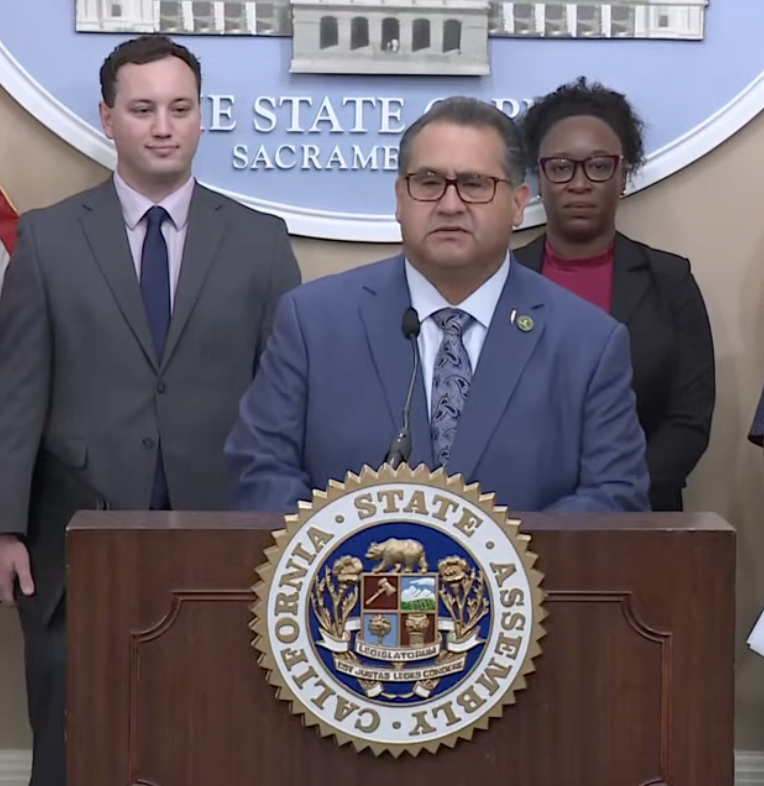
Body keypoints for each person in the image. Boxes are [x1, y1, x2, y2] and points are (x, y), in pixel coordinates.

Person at [0, 34, 300, 786]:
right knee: (74, 738)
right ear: (108, 118)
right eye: (142, 109)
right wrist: (5, 524)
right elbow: (17, 391)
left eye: (179, 108)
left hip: (227, 533)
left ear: (202, 118)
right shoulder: (46, 237)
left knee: (214, 733)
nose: (162, 125)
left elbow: (288, 398)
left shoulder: (261, 241)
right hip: (75, 538)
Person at [225, 96, 650, 514]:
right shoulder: (313, 323)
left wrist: (493, 566)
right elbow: (261, 471)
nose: (450, 204)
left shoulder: (589, 342)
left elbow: (615, 496)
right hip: (350, 580)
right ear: (400, 199)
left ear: (518, 205)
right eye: (428, 182)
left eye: (474, 184)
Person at [514, 77, 715, 512]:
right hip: (518, 519)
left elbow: (688, 422)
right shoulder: (500, 279)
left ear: (623, 176)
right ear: (540, 177)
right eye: (562, 167)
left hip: (641, 518)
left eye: (599, 166)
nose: (580, 183)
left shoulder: (670, 280)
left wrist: (613, 497)